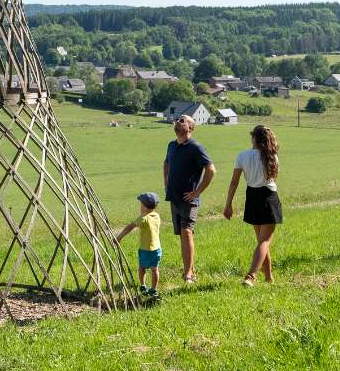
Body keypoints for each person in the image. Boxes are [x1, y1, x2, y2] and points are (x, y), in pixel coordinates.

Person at [222, 124, 284, 286]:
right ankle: (251, 276)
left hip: (252, 197)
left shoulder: (242, 156)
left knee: (261, 241)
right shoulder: (273, 157)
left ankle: (269, 277)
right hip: (268, 197)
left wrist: (228, 204)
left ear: (255, 138)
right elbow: (273, 180)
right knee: (264, 242)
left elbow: (234, 182)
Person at [161, 114, 217, 283]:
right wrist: (166, 182)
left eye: (183, 120)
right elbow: (166, 163)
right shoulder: (171, 145)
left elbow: (211, 170)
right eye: (178, 119)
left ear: (191, 127)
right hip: (174, 197)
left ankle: (189, 275)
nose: (178, 121)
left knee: (186, 232)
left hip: (189, 199)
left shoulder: (195, 147)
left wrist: (197, 192)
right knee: (183, 235)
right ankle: (189, 269)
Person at [113, 191, 165, 299]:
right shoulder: (156, 216)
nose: (140, 207)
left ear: (145, 206)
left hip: (145, 249)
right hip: (157, 249)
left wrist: (119, 237)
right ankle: (153, 289)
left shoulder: (143, 218)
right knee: (155, 269)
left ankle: (143, 285)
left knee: (142, 268)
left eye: (141, 204)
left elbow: (130, 227)